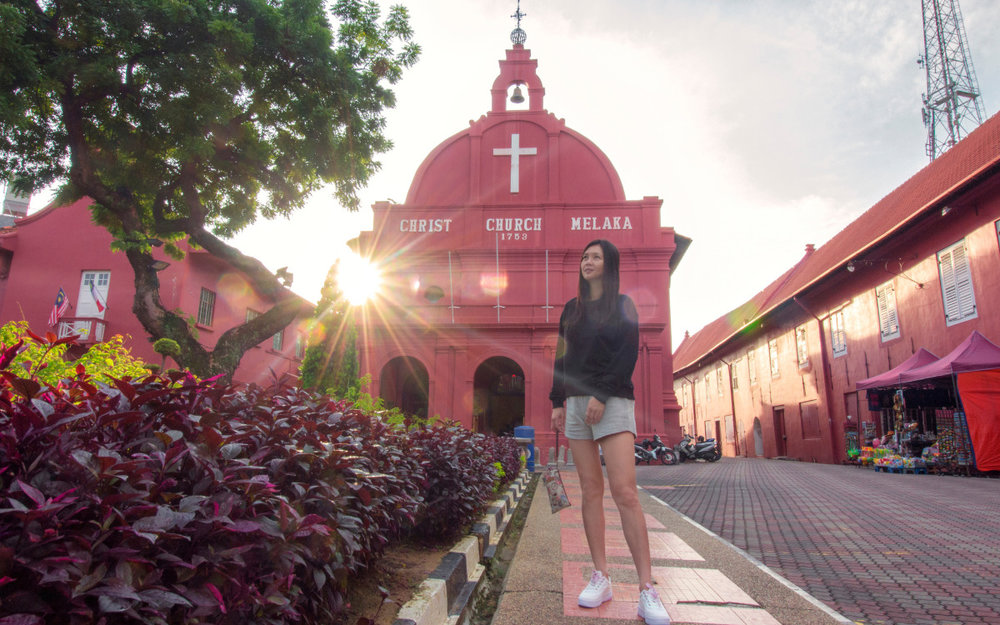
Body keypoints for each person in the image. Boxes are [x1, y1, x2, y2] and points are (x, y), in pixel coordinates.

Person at [549, 239, 670, 625]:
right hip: (576, 404)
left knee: (624, 492)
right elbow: (561, 355)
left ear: (609, 264)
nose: (587, 262)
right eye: (584, 256)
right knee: (590, 490)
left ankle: (646, 589)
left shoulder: (623, 306)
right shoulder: (572, 308)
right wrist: (556, 401)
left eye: (595, 257)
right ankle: (600, 575)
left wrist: (601, 394)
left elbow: (627, 354)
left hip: (613, 400)